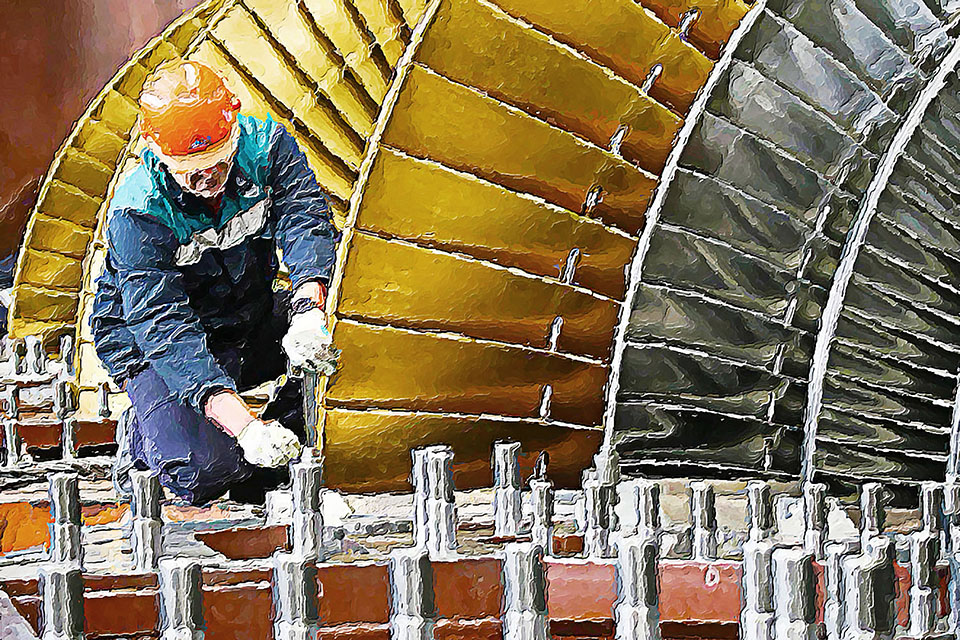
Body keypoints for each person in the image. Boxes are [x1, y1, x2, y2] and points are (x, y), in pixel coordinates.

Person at [90, 60, 340, 505]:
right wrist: (245, 428)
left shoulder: (269, 150)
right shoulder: (138, 213)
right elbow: (164, 326)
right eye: (193, 171)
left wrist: (308, 311)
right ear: (158, 156)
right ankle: (146, 434)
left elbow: (306, 221)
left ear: (235, 134)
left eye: (219, 164)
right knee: (205, 471)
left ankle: (282, 430)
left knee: (343, 341)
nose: (209, 181)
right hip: (154, 343)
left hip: (245, 316)